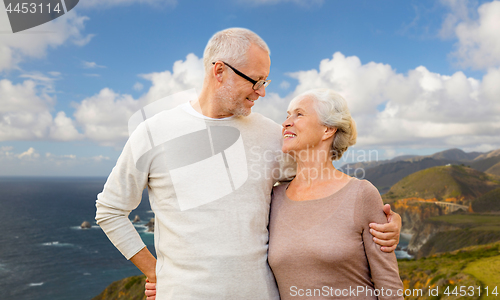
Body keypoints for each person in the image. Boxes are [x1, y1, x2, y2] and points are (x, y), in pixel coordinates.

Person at [95, 28, 401, 300]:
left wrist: (381, 225)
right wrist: (154, 271)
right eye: (255, 80)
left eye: (265, 81)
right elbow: (110, 210)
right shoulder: (153, 132)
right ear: (219, 72)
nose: (262, 91)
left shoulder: (271, 135)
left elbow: (322, 185)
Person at [268, 89, 404, 299]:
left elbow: (389, 284)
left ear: (328, 130)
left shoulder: (361, 194)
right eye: (287, 115)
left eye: (299, 114)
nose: (286, 122)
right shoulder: (273, 197)